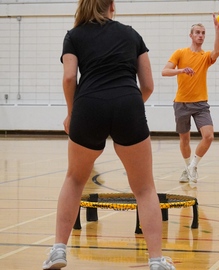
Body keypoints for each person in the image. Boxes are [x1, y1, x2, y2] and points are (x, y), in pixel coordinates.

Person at [42, 1, 175, 269]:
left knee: (75, 179)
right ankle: (157, 261)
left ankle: (58, 251)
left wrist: (72, 112)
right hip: (128, 102)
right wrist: (129, 102)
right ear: (112, 5)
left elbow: (69, 78)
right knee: (145, 188)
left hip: (89, 106)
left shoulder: (74, 35)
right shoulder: (131, 34)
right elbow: (148, 84)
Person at [162, 10, 219, 183]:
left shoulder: (205, 56)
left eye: (203, 33)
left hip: (200, 104)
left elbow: (218, 51)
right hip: (181, 103)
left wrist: (218, 29)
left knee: (209, 136)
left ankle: (193, 166)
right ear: (191, 35)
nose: (201, 35)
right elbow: (164, 71)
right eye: (198, 32)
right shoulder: (180, 53)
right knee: (185, 139)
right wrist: (181, 70)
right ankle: (186, 168)